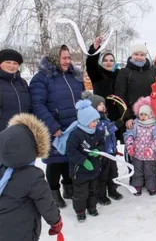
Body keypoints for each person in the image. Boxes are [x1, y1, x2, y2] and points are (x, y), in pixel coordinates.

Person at [30, 44, 84, 208]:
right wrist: (53, 126)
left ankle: (68, 187)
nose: (67, 61)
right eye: (64, 58)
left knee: (70, 158)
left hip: (74, 126)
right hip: (55, 127)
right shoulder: (41, 78)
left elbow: (82, 99)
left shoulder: (74, 77)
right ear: (55, 59)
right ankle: (54, 191)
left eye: (69, 57)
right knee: (55, 161)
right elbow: (37, 104)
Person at [0, 113, 63, 241]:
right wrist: (55, 221)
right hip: (23, 232)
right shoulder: (33, 176)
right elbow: (46, 202)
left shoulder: (2, 169)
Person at [82, 92, 124, 205]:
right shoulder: (95, 121)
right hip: (102, 154)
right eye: (100, 104)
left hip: (111, 152)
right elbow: (101, 133)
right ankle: (101, 195)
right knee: (103, 175)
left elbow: (111, 136)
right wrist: (115, 126)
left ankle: (112, 190)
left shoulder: (106, 118)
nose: (103, 106)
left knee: (113, 172)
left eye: (103, 104)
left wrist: (114, 148)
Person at [65, 99, 103, 222]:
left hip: (94, 169)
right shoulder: (75, 134)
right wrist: (83, 161)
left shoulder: (96, 132)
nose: (96, 123)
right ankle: (80, 211)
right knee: (81, 193)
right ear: (85, 121)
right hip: (80, 171)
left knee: (93, 190)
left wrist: (98, 150)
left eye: (97, 120)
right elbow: (71, 151)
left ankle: (92, 207)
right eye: (93, 121)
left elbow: (102, 143)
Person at [86, 36, 122, 140]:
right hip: (101, 113)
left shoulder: (119, 75)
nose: (108, 62)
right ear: (102, 62)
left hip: (116, 114)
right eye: (105, 60)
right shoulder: (97, 74)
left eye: (111, 60)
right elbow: (91, 64)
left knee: (114, 142)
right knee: (102, 140)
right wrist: (95, 48)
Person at [124, 96, 156, 196]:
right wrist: (130, 145)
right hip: (137, 154)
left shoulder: (155, 125)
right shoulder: (135, 123)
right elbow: (129, 135)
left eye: (145, 114)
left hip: (150, 155)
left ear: (151, 115)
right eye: (141, 114)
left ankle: (151, 187)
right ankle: (137, 186)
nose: (143, 116)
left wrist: (152, 149)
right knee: (137, 171)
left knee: (150, 171)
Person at [0, 49, 31, 132]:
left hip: (23, 131)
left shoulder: (23, 83)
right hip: (3, 132)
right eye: (8, 62)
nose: (12, 66)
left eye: (15, 63)